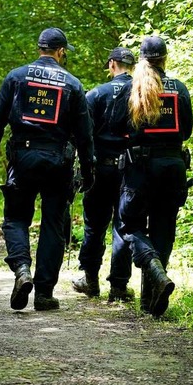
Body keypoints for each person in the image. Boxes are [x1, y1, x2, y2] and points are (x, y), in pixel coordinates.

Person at [0, 27, 94, 311]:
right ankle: (43, 293)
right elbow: (84, 135)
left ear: (39, 48)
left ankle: (21, 270)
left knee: (16, 217)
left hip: (23, 157)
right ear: (61, 51)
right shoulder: (72, 84)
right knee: (53, 225)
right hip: (58, 162)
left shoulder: (16, 77)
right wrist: (88, 170)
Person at [109, 36, 193, 317]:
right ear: (165, 59)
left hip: (140, 169)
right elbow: (188, 130)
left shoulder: (131, 88)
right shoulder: (179, 89)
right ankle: (150, 298)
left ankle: (153, 269)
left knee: (129, 224)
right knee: (163, 229)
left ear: (142, 60)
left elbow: (117, 127)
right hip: (173, 166)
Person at [71, 47, 136, 302]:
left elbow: (82, 134)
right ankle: (119, 286)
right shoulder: (142, 93)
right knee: (124, 225)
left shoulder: (96, 93)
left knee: (94, 225)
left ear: (112, 64)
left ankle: (90, 279)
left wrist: (81, 168)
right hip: (129, 170)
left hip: (99, 169)